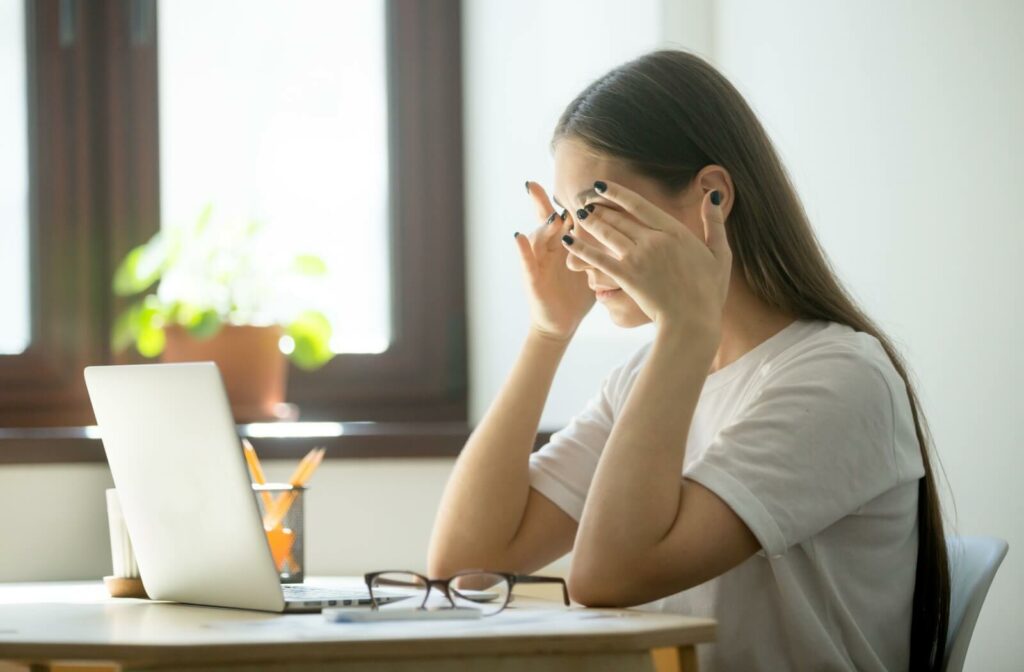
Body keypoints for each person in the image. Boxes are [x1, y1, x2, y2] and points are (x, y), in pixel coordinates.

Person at [427, 50, 949, 672]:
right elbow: (465, 565)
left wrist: (686, 326)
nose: (574, 253)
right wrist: (547, 332)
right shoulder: (647, 379)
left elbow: (609, 577)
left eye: (597, 212)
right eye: (569, 222)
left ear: (713, 198)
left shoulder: (838, 377)